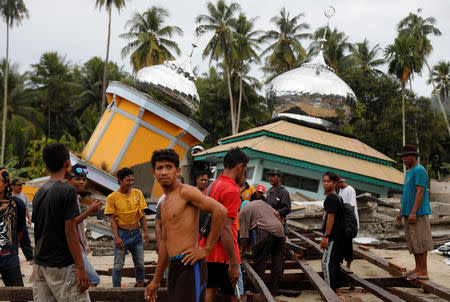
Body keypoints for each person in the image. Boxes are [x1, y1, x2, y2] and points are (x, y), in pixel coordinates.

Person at [145, 149, 227, 302]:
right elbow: (164, 244)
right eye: (159, 168)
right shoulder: (164, 204)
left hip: (190, 264)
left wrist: (206, 249)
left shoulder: (186, 192)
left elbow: (220, 211)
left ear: (178, 170)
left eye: (169, 167)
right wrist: (156, 280)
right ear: (153, 172)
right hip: (174, 267)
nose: (164, 172)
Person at [32, 143, 90, 302]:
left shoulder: (40, 192)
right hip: (61, 265)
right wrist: (80, 267)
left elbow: (38, 229)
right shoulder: (68, 191)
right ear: (67, 164)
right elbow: (70, 231)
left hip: (41, 264)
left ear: (46, 166)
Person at [200, 148, 249, 302]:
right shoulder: (232, 190)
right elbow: (226, 228)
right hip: (225, 255)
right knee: (237, 296)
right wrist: (234, 263)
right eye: (245, 169)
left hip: (207, 250)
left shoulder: (212, 186)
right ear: (240, 167)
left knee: (209, 292)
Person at [104, 167, 151, 287]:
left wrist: (145, 232)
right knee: (118, 265)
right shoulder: (112, 197)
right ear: (120, 180)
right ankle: (116, 291)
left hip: (136, 233)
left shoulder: (138, 193)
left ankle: (140, 289)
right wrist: (116, 237)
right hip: (122, 234)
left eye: (132, 180)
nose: (131, 183)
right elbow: (112, 219)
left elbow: (142, 215)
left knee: (140, 264)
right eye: (128, 180)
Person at [396, 145, 433, 281]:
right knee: (413, 242)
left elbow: (420, 191)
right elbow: (407, 193)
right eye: (402, 157)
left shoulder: (419, 170)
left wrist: (413, 212)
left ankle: (423, 271)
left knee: (421, 241)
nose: (404, 159)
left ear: (414, 156)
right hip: (408, 212)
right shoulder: (409, 172)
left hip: (417, 213)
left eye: (406, 156)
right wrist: (401, 211)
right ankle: (418, 268)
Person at [239, 199, 285, 296]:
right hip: (280, 231)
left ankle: (255, 292)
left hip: (266, 232)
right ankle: (273, 292)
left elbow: (244, 236)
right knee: (277, 264)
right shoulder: (261, 203)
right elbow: (277, 214)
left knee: (259, 264)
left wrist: (243, 252)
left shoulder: (243, 212)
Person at [67, 164, 103, 287]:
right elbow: (71, 223)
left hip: (76, 246)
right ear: (69, 179)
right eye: (77, 179)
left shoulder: (74, 197)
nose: (82, 182)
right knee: (93, 279)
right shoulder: (69, 196)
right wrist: (90, 210)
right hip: (73, 246)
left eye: (83, 179)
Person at [0, 170, 26, 299]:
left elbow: (20, 230)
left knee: (19, 297)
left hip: (9, 260)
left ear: (6, 183)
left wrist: (12, 249)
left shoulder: (17, 204)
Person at [320, 171, 344, 295]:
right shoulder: (337, 197)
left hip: (332, 237)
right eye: (324, 181)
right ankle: (336, 292)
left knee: (326, 263)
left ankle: (329, 294)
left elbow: (331, 217)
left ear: (334, 183)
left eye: (328, 181)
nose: (325, 183)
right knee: (334, 264)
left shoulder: (332, 198)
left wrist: (326, 236)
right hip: (338, 237)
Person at [337, 176, 358, 270]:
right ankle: (340, 265)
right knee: (340, 245)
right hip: (342, 221)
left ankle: (348, 266)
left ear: (340, 182)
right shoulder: (340, 190)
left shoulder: (350, 190)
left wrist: (349, 223)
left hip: (349, 222)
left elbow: (352, 207)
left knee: (348, 245)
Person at [11, 178, 33, 264]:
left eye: (21, 185)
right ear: (12, 186)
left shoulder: (23, 196)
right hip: (13, 223)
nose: (20, 187)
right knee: (13, 243)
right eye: (18, 185)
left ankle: (31, 258)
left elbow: (26, 208)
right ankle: (14, 261)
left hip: (22, 222)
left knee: (26, 241)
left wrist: (29, 219)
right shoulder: (10, 196)